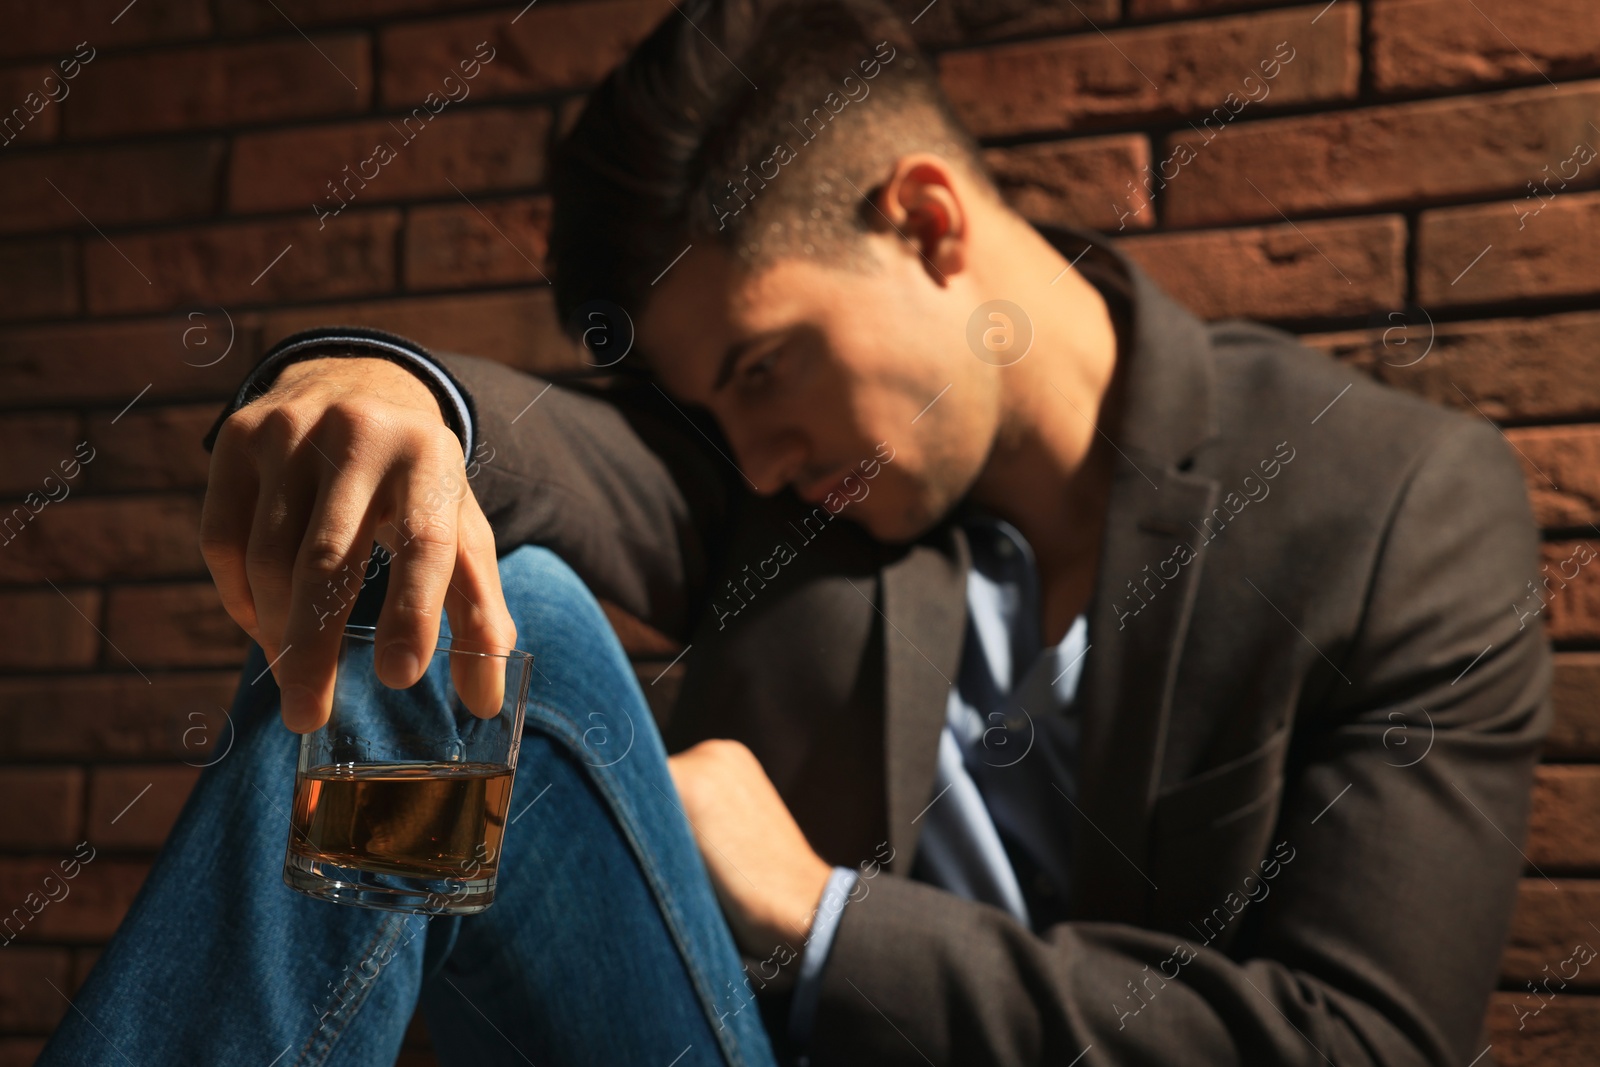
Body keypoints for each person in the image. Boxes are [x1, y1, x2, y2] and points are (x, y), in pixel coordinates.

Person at [43, 0, 1550, 1063]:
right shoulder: (785, 487)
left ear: (928, 224)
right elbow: (564, 452)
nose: (756, 447)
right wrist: (397, 390)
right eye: (719, 404)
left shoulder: (1398, 511)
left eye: (761, 370)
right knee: (450, 644)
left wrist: (824, 921)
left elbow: (1361, 1044)